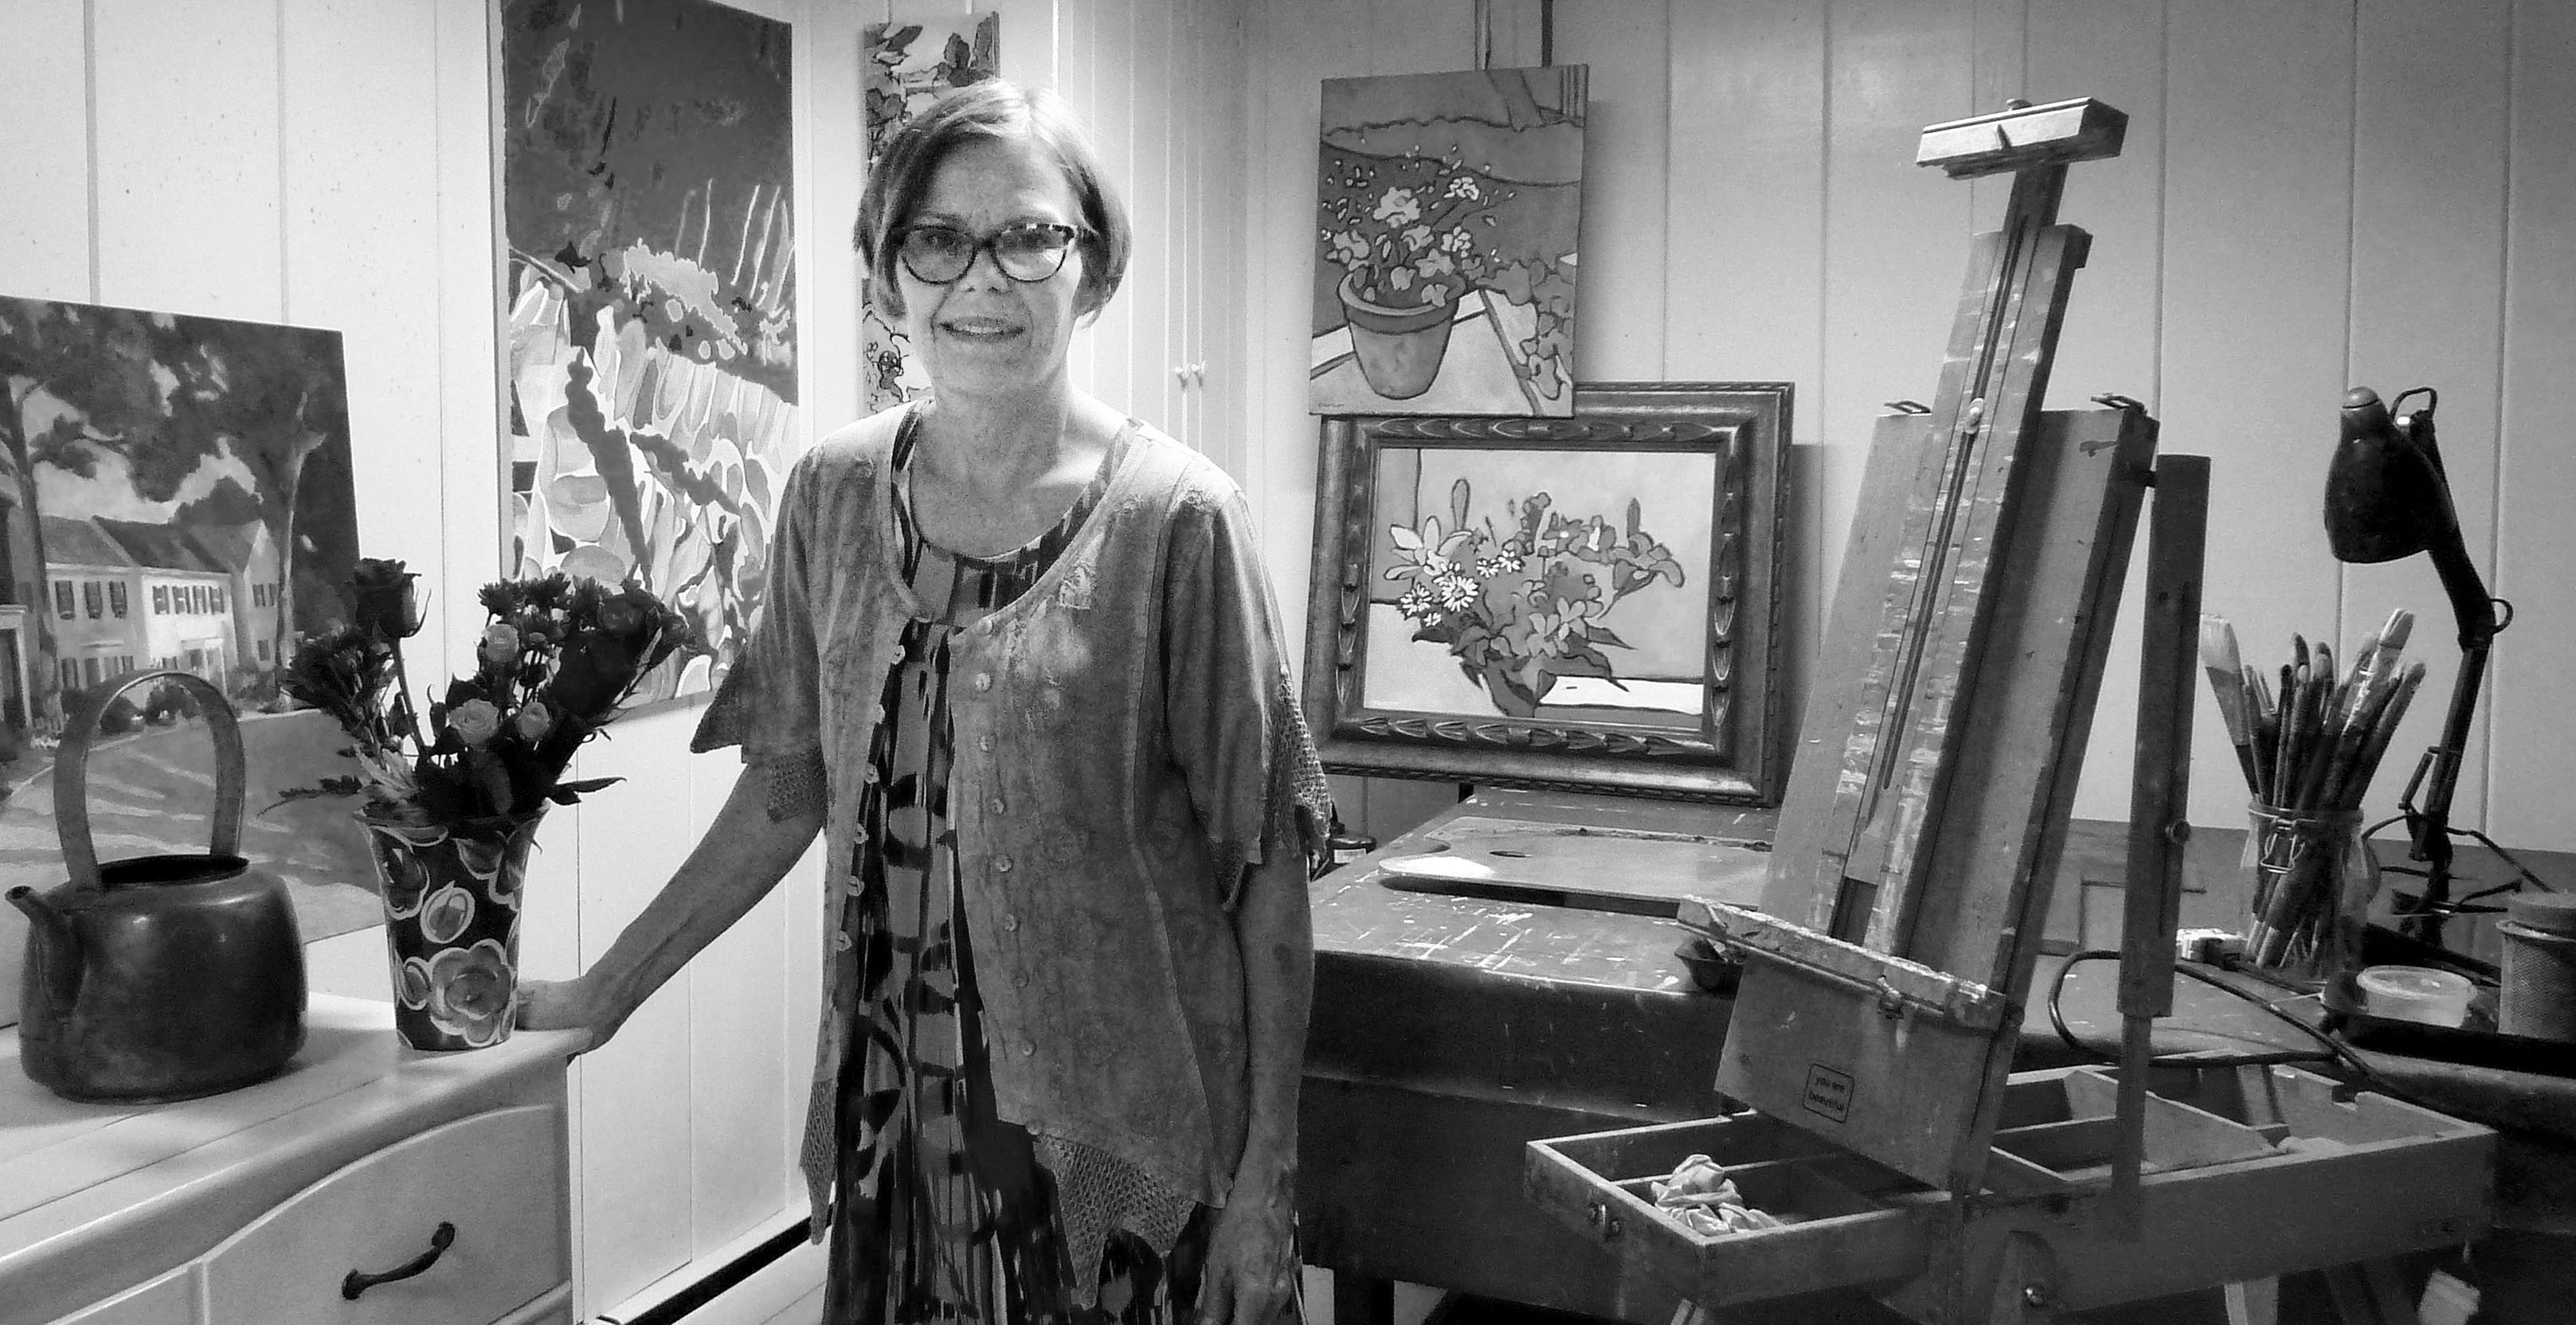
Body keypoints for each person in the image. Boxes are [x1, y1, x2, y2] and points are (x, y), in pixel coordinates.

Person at [519, 80, 1329, 1325]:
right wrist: (600, 994)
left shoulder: (1177, 521)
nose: (980, 279)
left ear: (1093, 269)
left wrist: (1269, 1180)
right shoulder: (832, 495)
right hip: (899, 1120)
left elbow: (1264, 867)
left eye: (1029, 236)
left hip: (1128, 1141)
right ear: (888, 272)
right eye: (936, 239)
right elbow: (787, 788)